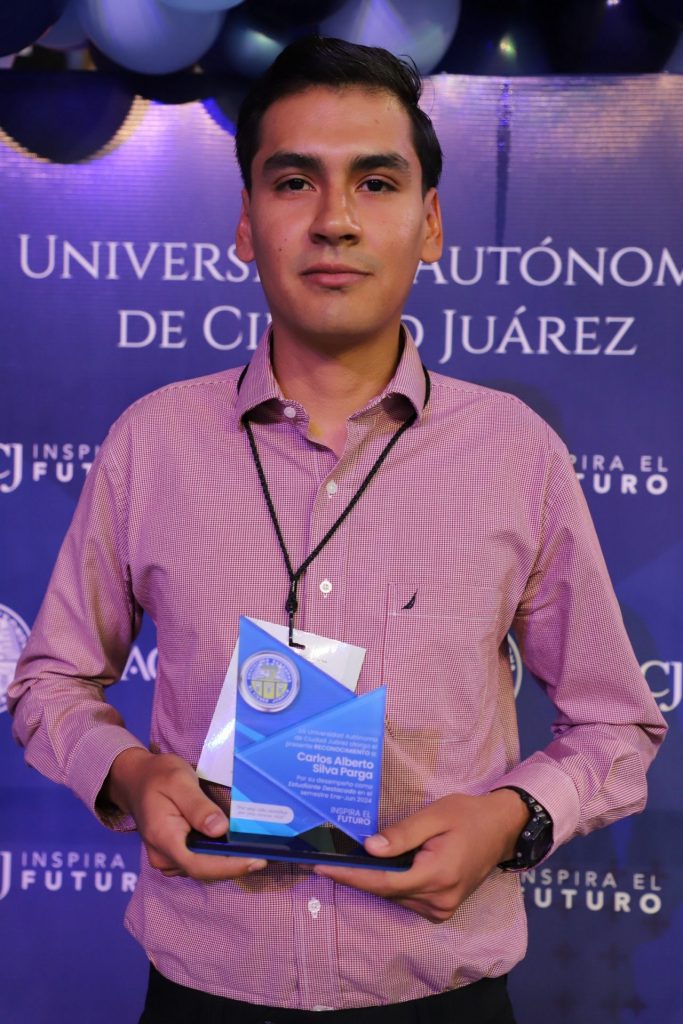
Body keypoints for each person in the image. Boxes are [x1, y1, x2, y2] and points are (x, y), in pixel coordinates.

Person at [10, 35, 665, 1024]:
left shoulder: (515, 454)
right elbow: (52, 681)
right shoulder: (152, 443)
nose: (334, 220)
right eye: (292, 182)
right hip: (203, 992)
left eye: (375, 182)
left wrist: (509, 820)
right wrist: (130, 774)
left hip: (437, 993)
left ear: (429, 223)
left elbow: (615, 723)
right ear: (245, 224)